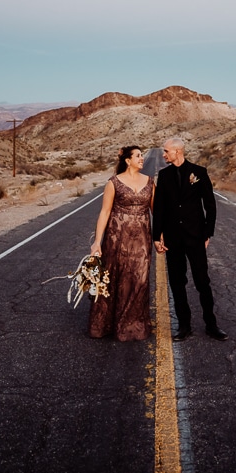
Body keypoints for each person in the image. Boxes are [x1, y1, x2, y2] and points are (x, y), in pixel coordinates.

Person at [153, 138, 228, 342]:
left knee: (202, 282)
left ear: (177, 151)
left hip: (195, 237)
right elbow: (159, 207)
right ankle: (184, 326)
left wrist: (206, 233)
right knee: (177, 283)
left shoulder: (199, 172)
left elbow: (210, 205)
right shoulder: (164, 175)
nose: (164, 155)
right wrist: (156, 236)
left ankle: (211, 325)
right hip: (173, 238)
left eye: (166, 151)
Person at [88, 146, 154, 341]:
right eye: (138, 156)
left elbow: (156, 211)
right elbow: (105, 213)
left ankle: (133, 325)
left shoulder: (150, 182)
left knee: (139, 280)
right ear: (127, 160)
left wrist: (161, 237)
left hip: (142, 240)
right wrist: (97, 243)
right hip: (116, 239)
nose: (142, 159)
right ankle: (108, 325)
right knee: (116, 278)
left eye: (142, 155)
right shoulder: (114, 183)